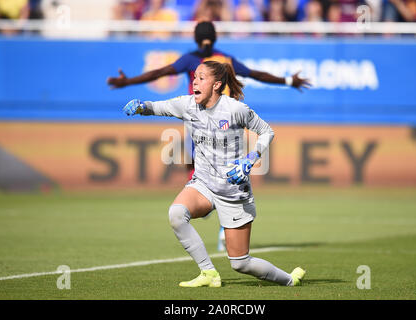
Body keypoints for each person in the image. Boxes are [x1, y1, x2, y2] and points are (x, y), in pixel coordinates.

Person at [107, 20, 311, 252]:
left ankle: (223, 217)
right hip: (219, 125)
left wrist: (128, 82)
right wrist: (288, 80)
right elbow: (256, 74)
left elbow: (160, 72)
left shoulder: (193, 59)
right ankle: (223, 213)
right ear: (215, 38)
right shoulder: (224, 60)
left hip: (204, 125)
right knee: (211, 175)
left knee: (208, 176)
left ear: (196, 38)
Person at [121, 60, 306, 287]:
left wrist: (251, 158)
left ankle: (289, 280)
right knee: (176, 215)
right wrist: (141, 107)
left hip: (233, 191)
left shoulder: (235, 109)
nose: (194, 82)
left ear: (217, 85)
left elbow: (267, 131)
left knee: (240, 263)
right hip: (204, 185)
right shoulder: (187, 105)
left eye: (201, 78)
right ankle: (209, 273)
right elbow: (157, 107)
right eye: (194, 77)